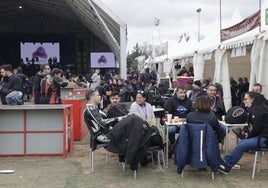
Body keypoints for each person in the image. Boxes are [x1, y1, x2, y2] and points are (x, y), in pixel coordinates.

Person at [83, 89, 158, 170]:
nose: (100, 96)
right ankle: (137, 157)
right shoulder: (90, 109)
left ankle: (139, 157)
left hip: (109, 132)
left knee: (135, 128)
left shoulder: (94, 108)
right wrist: (119, 118)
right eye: (97, 95)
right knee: (133, 124)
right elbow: (103, 123)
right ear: (92, 97)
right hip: (105, 135)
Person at [219, 92, 268, 174]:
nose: (243, 101)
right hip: (262, 137)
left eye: (245, 99)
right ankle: (225, 163)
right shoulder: (258, 108)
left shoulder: (258, 110)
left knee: (242, 145)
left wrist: (248, 134)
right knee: (242, 143)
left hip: (264, 139)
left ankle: (226, 165)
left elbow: (256, 129)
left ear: (252, 100)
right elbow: (257, 127)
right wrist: (246, 130)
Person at [164, 86, 194, 158]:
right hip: (173, 123)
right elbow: (167, 114)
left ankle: (178, 146)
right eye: (181, 92)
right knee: (171, 130)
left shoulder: (189, 101)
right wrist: (176, 121)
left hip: (185, 122)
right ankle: (172, 143)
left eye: (184, 93)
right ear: (176, 92)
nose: (183, 94)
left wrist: (184, 121)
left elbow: (192, 113)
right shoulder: (170, 101)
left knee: (188, 130)